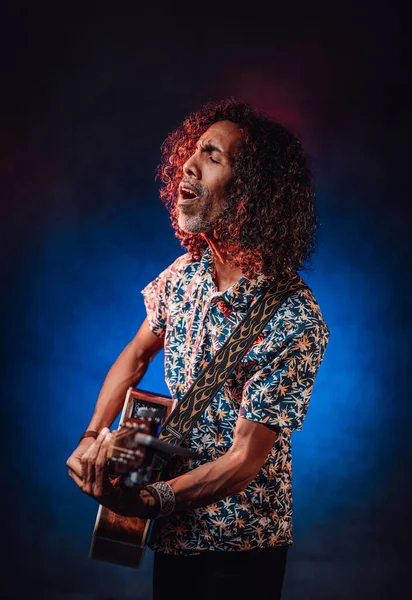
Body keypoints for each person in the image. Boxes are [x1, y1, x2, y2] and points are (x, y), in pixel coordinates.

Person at [67, 99, 329, 600]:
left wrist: (152, 497)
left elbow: (244, 461)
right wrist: (91, 436)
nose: (188, 162)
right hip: (173, 537)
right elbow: (136, 354)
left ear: (250, 191)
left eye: (211, 154)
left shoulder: (293, 318)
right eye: (192, 151)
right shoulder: (182, 276)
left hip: (240, 550)